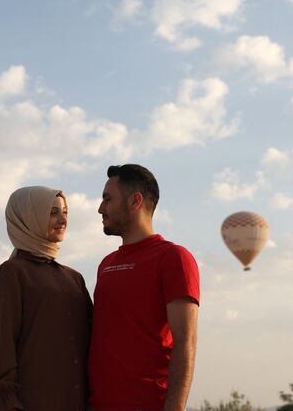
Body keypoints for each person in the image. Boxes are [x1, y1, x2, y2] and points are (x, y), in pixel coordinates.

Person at [87, 164, 200, 411]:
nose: (100, 209)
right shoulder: (106, 264)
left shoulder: (174, 257)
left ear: (135, 201)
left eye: (107, 199)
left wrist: (175, 407)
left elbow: (185, 342)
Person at [0, 186, 93, 411]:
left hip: (80, 401)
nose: (63, 219)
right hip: (33, 402)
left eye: (65, 212)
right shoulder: (13, 272)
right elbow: (3, 344)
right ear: (28, 218)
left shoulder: (74, 278)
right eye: (53, 212)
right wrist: (9, 401)